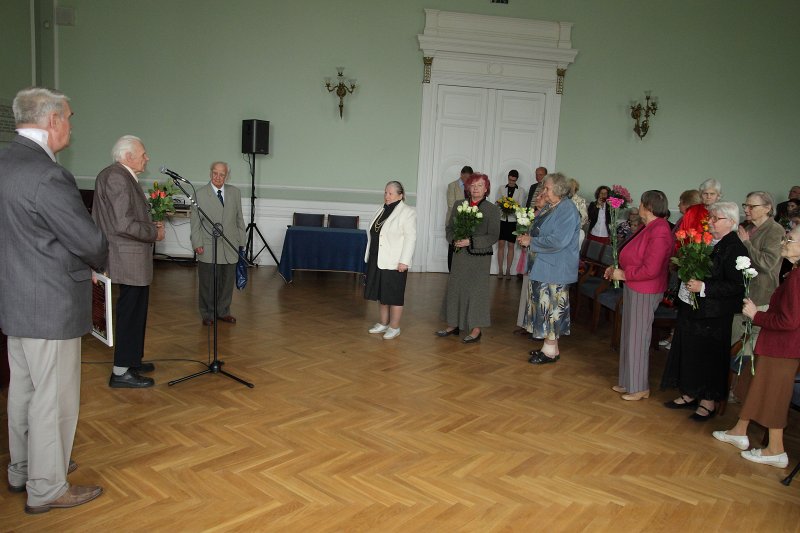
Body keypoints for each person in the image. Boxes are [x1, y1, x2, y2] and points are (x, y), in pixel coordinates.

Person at [0, 87, 107, 513]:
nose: (71, 125)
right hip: (52, 305)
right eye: (69, 117)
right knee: (54, 398)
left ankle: (24, 469)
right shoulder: (48, 175)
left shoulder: (6, 162)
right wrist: (100, 253)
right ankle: (47, 486)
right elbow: (89, 240)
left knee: (23, 392)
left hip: (16, 300)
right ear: (52, 121)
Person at [711, 227, 800, 468]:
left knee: (774, 397)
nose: (784, 241)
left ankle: (776, 450)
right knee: (760, 388)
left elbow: (790, 321)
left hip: (783, 348)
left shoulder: (797, 278)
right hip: (779, 346)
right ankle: (739, 431)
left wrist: (756, 316)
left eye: (789, 238)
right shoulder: (793, 273)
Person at [661, 202, 748, 421]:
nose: (710, 222)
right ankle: (690, 392)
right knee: (691, 351)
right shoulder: (710, 242)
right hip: (695, 308)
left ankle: (708, 401)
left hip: (715, 314)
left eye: (715, 219)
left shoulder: (735, 247)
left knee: (709, 356)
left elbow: (737, 286)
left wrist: (704, 287)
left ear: (731, 222)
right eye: (710, 218)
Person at [93, 135, 165, 388]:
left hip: (132, 258)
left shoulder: (121, 175)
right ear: (128, 156)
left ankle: (132, 359)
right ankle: (121, 371)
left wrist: (149, 225)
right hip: (127, 258)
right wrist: (153, 232)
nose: (147, 158)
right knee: (129, 314)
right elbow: (123, 224)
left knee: (136, 312)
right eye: (143, 154)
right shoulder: (116, 177)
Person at [604, 191, 673, 401]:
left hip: (646, 289)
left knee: (638, 338)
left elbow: (651, 268)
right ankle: (628, 381)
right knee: (629, 335)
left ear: (648, 206)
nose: (639, 207)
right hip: (635, 286)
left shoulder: (660, 230)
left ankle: (639, 386)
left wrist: (623, 274)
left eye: (642, 203)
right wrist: (616, 268)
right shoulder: (649, 227)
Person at [517, 173, 581, 364]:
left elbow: (559, 241)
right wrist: (527, 238)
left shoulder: (567, 209)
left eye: (547, 188)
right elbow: (538, 228)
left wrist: (532, 242)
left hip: (556, 268)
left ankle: (549, 351)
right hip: (543, 265)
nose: (543, 191)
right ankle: (550, 348)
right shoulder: (552, 207)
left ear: (559, 189)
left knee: (551, 309)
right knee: (544, 308)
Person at [437, 173, 501, 343]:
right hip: (459, 256)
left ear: (486, 189)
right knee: (455, 288)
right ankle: (453, 324)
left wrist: (471, 241)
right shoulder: (459, 205)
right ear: (468, 188)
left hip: (479, 258)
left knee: (476, 292)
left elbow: (493, 235)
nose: (475, 189)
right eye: (472, 186)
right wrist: (454, 239)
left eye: (479, 186)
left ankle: (476, 329)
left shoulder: (492, 209)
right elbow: (449, 228)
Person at [190, 161, 246, 326]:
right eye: (215, 173)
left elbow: (239, 219)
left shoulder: (234, 192)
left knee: (227, 282)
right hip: (208, 246)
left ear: (227, 176)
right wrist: (197, 243)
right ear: (210, 173)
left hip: (230, 245)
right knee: (208, 283)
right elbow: (195, 223)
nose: (218, 177)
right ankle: (207, 313)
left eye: (222, 174)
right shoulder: (199, 194)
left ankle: (223, 311)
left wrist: (241, 243)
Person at [732, 192, 784, 357]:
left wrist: (746, 243)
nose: (746, 209)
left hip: (761, 296)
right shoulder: (747, 228)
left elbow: (767, 264)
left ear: (767, 208)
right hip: (742, 294)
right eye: (745, 205)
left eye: (751, 206)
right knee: (734, 343)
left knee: (748, 351)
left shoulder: (775, 230)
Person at [364, 181, 417, 340]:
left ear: (400, 195)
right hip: (377, 259)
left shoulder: (407, 212)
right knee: (382, 294)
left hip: (395, 262)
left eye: (390, 193)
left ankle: (394, 327)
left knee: (394, 295)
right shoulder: (382, 209)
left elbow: (411, 238)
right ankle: (383, 323)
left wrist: (404, 261)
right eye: (385, 192)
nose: (386, 196)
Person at [496, 169, 525, 279]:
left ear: (517, 179)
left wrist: (513, 208)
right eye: (510, 179)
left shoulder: (521, 190)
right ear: (508, 177)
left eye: (514, 180)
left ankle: (508, 270)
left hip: (513, 221)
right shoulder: (501, 188)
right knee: (501, 245)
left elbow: (520, 206)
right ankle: (500, 270)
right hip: (502, 220)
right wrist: (503, 206)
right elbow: (497, 202)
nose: (512, 182)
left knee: (511, 246)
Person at [445, 165, 473, 271]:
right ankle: (451, 270)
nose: (467, 180)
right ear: (461, 174)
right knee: (453, 246)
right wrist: (464, 214)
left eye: (469, 178)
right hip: (454, 221)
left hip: (469, 223)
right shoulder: (452, 185)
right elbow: (451, 204)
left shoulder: (471, 187)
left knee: (465, 248)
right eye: (465, 177)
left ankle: (461, 271)